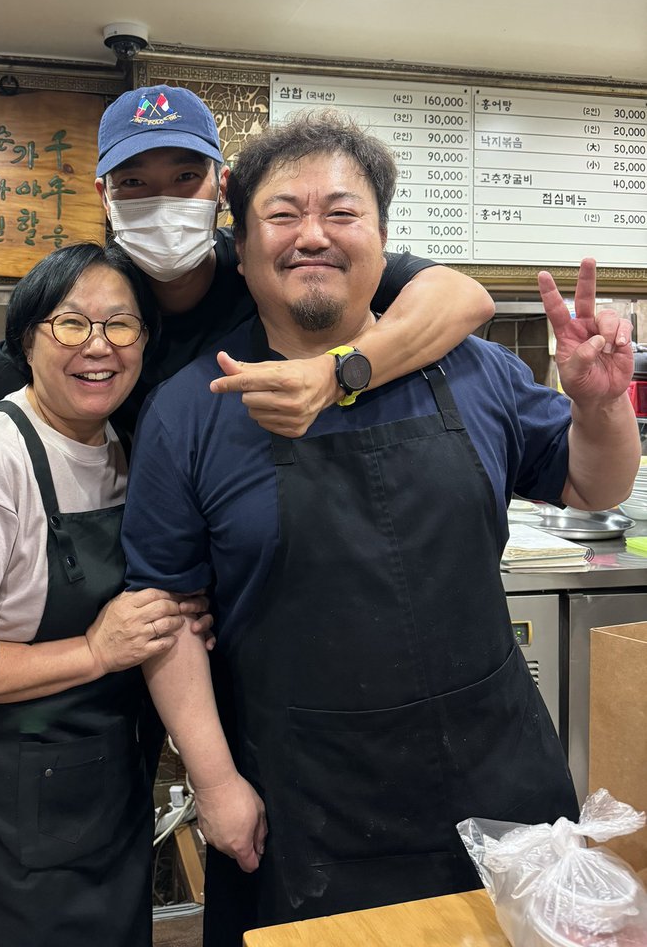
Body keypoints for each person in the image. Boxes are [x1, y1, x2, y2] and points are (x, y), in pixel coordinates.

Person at [122, 111, 641, 945]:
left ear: (386, 241)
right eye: (282, 215)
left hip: (499, 778)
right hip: (304, 802)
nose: (312, 235)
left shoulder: (473, 368)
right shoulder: (189, 410)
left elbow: (591, 484)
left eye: (341, 212)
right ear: (242, 249)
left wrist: (601, 406)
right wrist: (215, 782)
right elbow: (167, 613)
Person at [0, 85, 496, 458]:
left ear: (222, 187)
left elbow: (462, 298)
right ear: (104, 196)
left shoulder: (268, 262)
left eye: (186, 177)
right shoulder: (86, 301)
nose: (162, 200)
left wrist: (336, 374)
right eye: (134, 183)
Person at [0, 242, 211, 947]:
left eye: (121, 324)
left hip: (101, 802)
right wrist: (96, 651)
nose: (99, 346)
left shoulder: (123, 448)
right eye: (71, 323)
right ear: (25, 343)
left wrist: (173, 618)